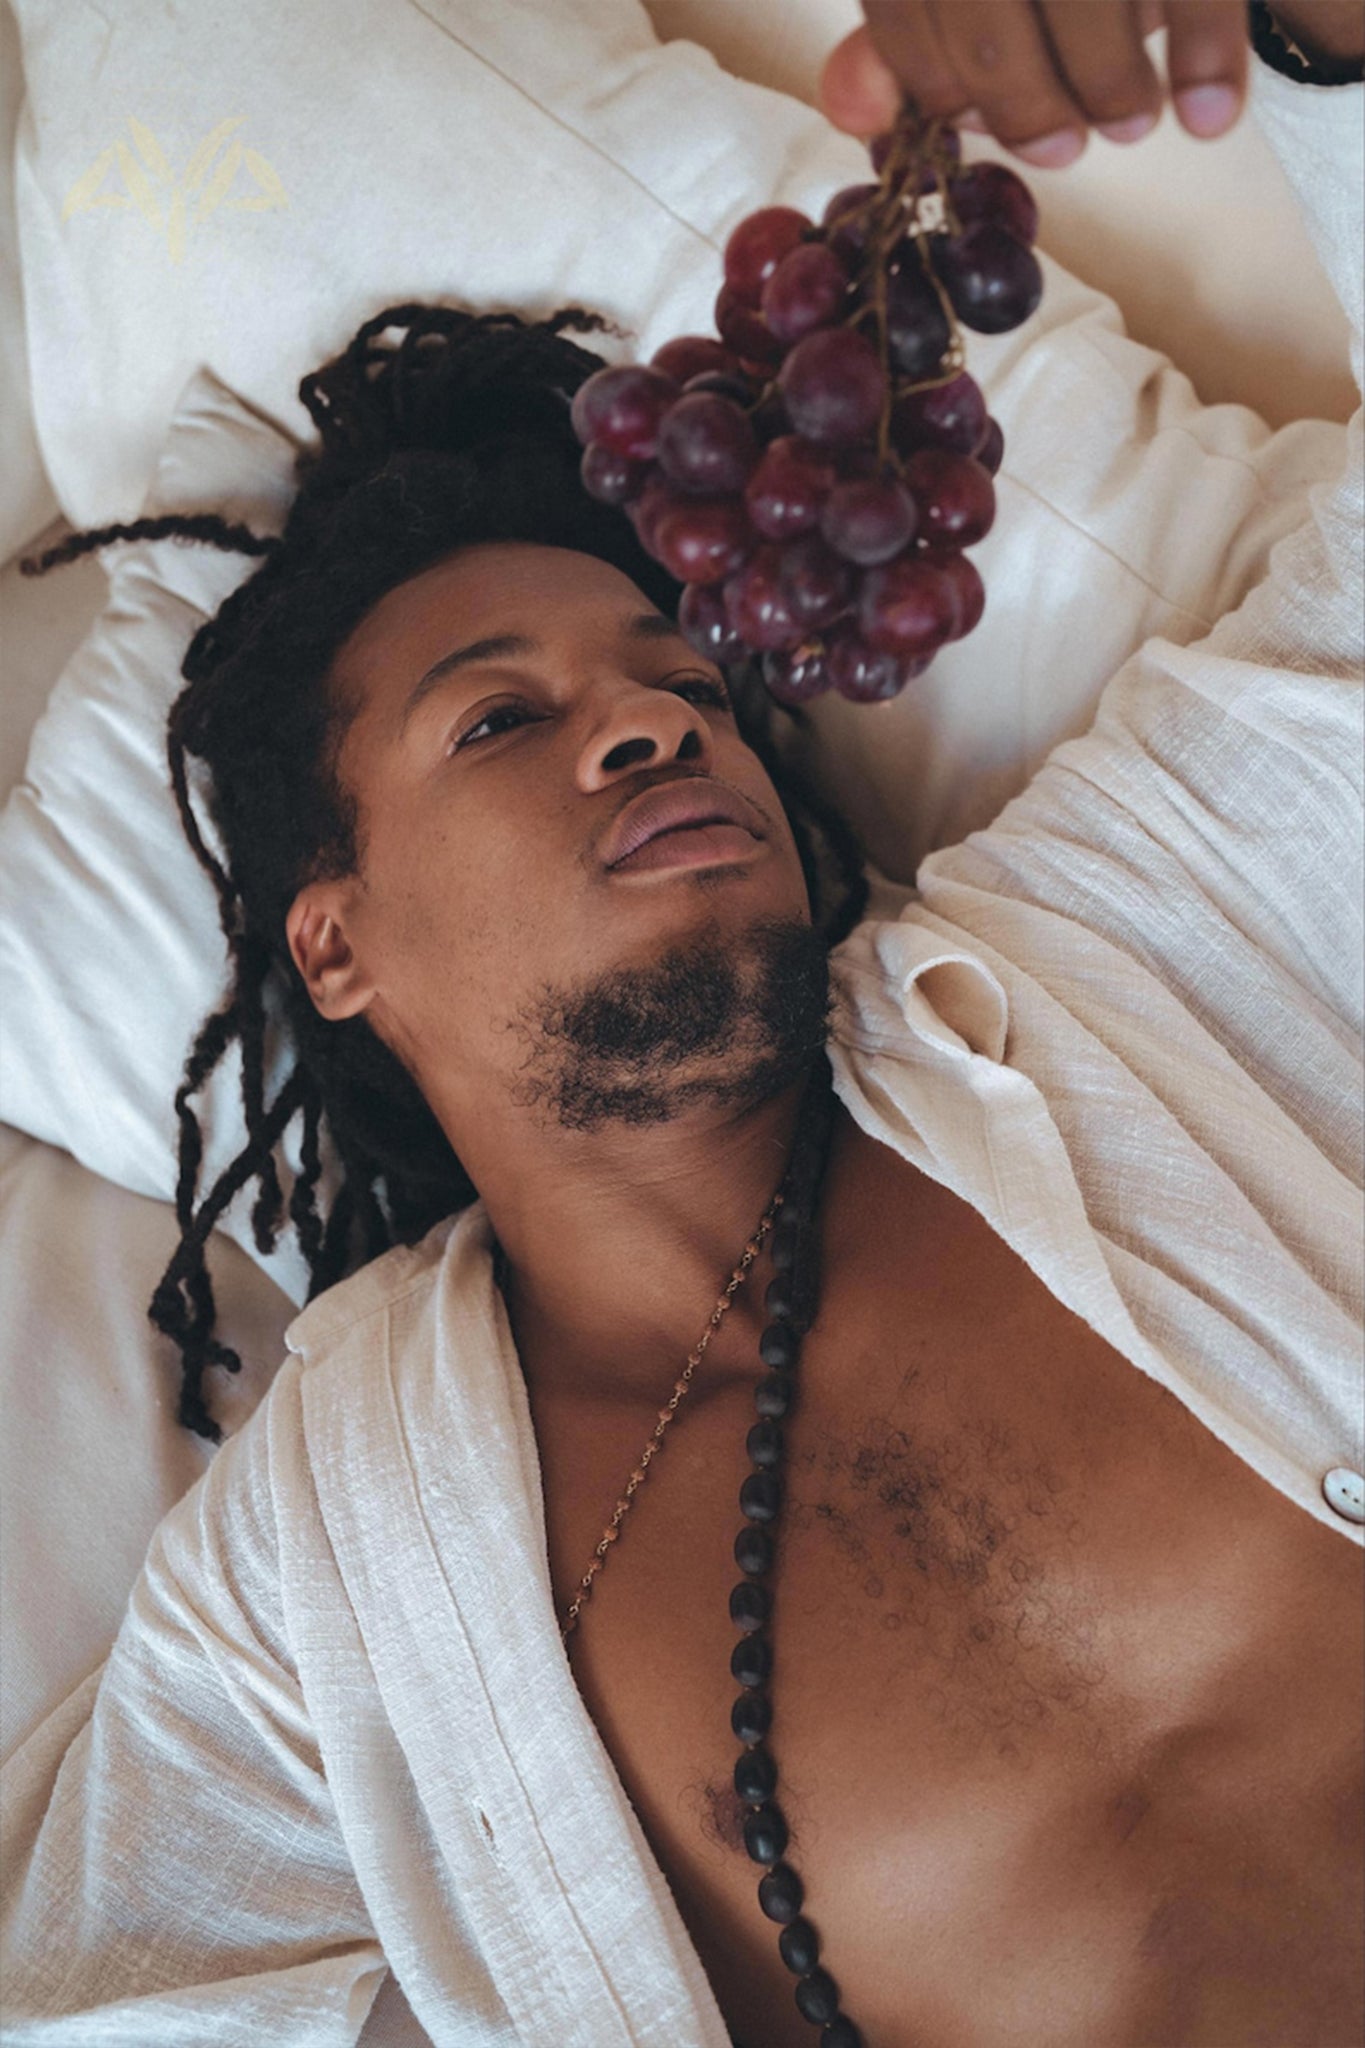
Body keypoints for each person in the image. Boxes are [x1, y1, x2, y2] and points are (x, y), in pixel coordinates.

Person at [3, 3, 1361, 2044]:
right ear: (337, 942)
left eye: (687, 680)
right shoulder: (333, 1570)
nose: (651, 713)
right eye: (501, 716)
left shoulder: (1094, 979)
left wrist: (1318, 44)